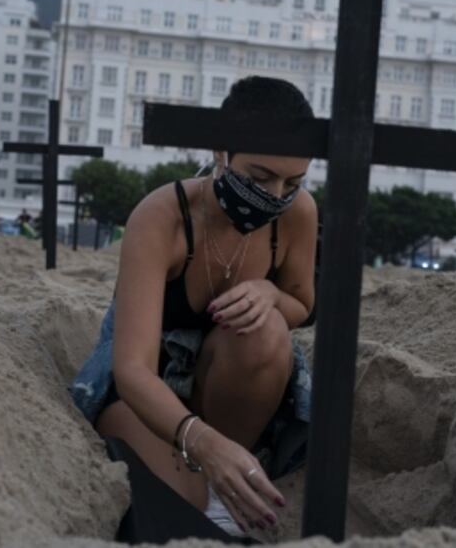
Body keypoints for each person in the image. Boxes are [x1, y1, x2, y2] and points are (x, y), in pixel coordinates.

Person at [70, 77, 317, 536]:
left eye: (293, 182)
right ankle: (210, 474)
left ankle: (229, 473)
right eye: (260, 177)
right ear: (221, 151)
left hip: (231, 390)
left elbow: (301, 302)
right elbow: (132, 369)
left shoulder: (298, 213)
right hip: (149, 387)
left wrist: (270, 294)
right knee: (177, 512)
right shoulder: (162, 217)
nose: (276, 195)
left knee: (267, 330)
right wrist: (201, 443)